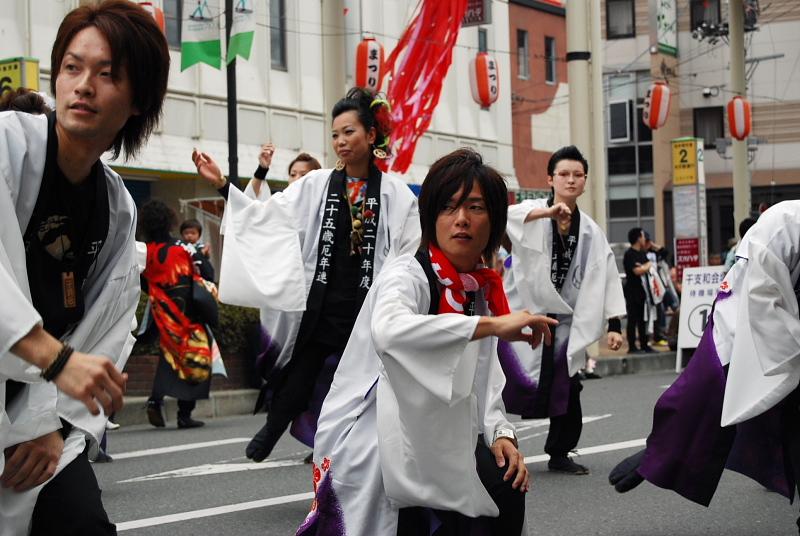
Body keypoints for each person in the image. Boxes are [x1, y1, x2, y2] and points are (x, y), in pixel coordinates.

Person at [299, 148, 555, 536]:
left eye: (475, 207)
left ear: (495, 221)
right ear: (430, 216)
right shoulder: (408, 274)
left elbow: (482, 383)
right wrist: (488, 325)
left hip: (442, 434)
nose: (462, 220)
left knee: (505, 486)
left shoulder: (475, 288)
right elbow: (390, 330)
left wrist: (501, 432)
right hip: (379, 436)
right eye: (448, 207)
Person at [0, 1, 169, 533]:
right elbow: (69, 359)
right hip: (36, 377)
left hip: (36, 419)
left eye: (107, 74)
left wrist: (57, 425)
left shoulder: (117, 210)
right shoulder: (8, 144)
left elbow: (105, 331)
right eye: (73, 68)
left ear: (137, 99)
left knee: (82, 525)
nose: (83, 85)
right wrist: (53, 359)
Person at [192, 87, 421, 462]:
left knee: (364, 387)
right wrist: (221, 184)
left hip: (370, 308)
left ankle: (353, 457)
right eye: (335, 134)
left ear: (371, 134)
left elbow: (409, 253)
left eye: (349, 132)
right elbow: (266, 216)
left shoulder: (397, 195)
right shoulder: (316, 185)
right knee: (301, 372)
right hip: (323, 304)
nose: (341, 141)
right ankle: (274, 425)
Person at [609, 201, 800, 533]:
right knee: (720, 384)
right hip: (778, 340)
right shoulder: (783, 225)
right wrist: (668, 442)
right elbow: (734, 330)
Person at [498, 145, 626, 475]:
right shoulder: (530, 211)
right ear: (550, 179)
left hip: (565, 323)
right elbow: (501, 215)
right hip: (523, 317)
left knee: (567, 387)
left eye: (577, 175)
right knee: (501, 381)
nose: (570, 180)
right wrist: (547, 214)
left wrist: (615, 324)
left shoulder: (590, 232)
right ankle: (492, 446)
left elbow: (606, 275)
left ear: (585, 181)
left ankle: (559, 452)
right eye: (563, 174)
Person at [140, 200, 216, 429]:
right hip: (187, 313)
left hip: (161, 312)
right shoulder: (181, 248)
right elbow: (202, 275)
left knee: (169, 356)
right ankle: (184, 414)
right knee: (195, 356)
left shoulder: (146, 251)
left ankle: (156, 399)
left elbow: (143, 281)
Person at [246, 142, 322, 201]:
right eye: (292, 175)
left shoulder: (323, 207)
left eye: (303, 175)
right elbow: (249, 203)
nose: (296, 179)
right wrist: (262, 170)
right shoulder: (279, 204)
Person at [623, 228, 654, 353]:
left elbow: (647, 267)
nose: (644, 238)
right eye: (642, 236)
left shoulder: (642, 253)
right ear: (637, 238)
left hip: (643, 292)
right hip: (632, 291)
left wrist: (645, 266)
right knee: (632, 319)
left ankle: (644, 344)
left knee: (643, 319)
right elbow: (637, 271)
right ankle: (632, 346)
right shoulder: (629, 254)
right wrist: (646, 266)